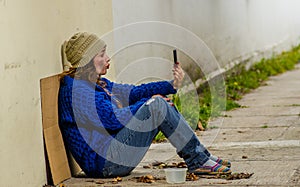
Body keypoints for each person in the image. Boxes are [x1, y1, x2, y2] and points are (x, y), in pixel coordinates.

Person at [58, 32, 231, 178]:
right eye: (102, 54)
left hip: (112, 153)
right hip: (104, 164)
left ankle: (201, 157)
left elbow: (133, 92)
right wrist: (150, 103)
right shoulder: (77, 92)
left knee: (157, 103)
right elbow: (112, 119)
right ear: (87, 60)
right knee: (156, 105)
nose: (108, 58)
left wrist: (171, 85)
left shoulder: (96, 83)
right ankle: (198, 160)